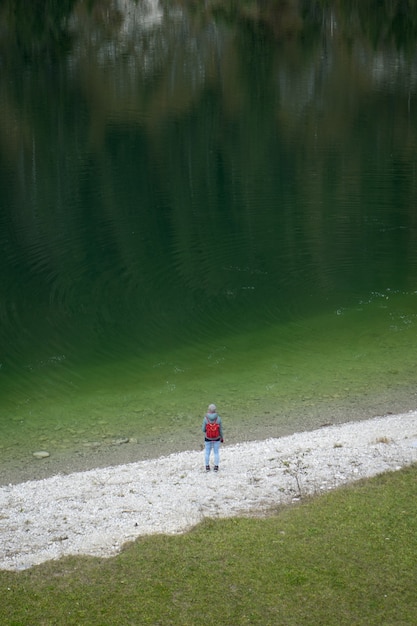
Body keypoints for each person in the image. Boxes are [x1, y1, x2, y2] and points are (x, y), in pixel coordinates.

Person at [202, 403, 224, 471]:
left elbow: (203, 429)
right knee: (216, 452)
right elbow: (220, 430)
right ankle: (216, 467)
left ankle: (207, 466)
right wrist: (222, 437)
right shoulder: (218, 418)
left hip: (208, 438)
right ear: (215, 410)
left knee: (207, 452)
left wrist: (208, 430)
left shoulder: (205, 419)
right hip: (217, 438)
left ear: (209, 410)